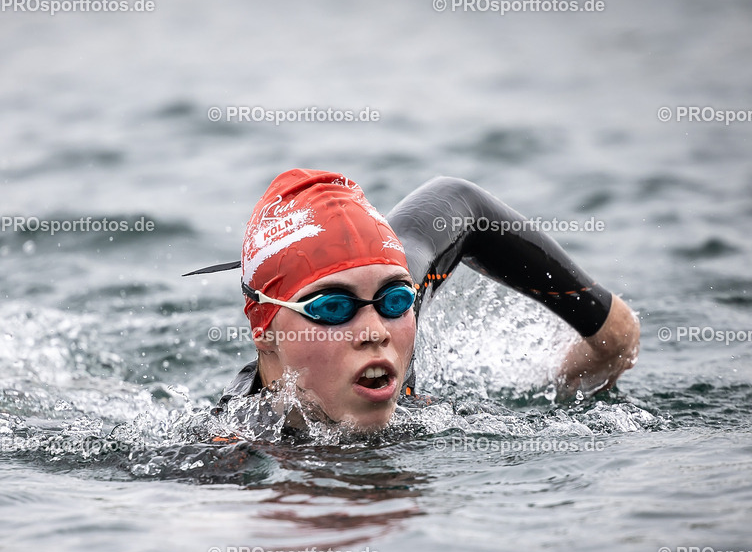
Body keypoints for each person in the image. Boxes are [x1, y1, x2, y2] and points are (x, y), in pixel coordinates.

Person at [185, 169, 640, 433]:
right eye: (332, 309)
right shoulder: (229, 454)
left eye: (396, 299)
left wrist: (607, 335)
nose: (377, 332)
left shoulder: (388, 315)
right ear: (263, 330)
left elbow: (458, 200)